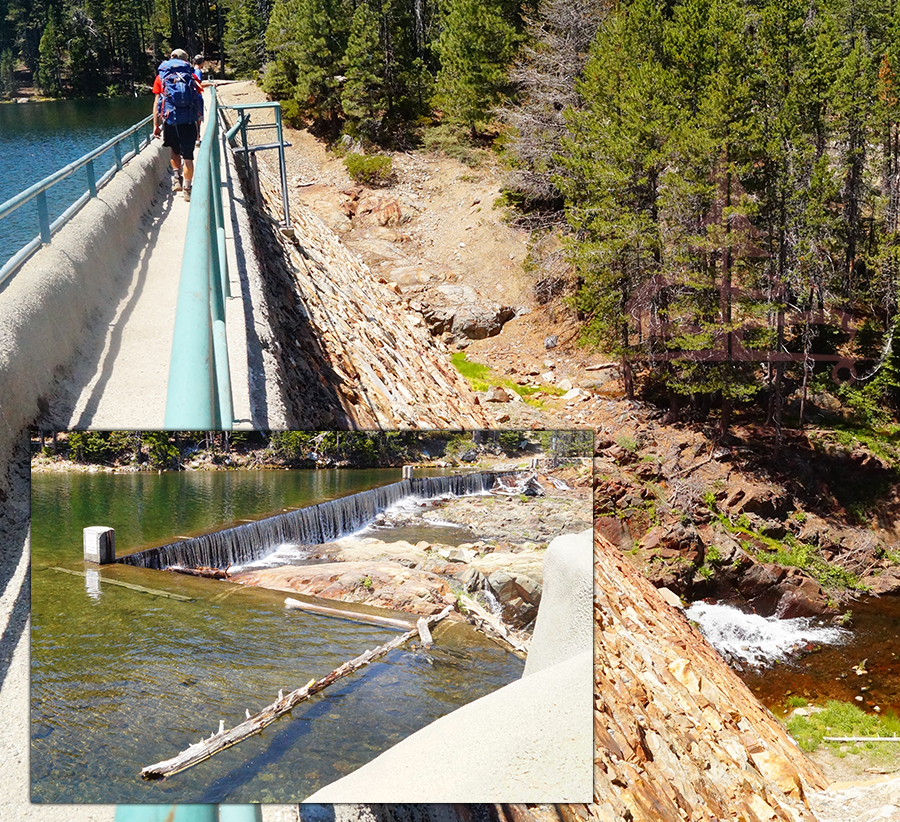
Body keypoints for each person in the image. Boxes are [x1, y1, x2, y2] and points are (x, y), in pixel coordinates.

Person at [152, 49, 202, 202]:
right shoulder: (191, 74)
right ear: (185, 60)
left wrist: (156, 124)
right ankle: (187, 188)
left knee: (174, 150)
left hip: (170, 119)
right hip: (188, 120)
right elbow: (198, 95)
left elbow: (157, 102)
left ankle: (176, 178)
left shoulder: (162, 76)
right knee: (188, 156)